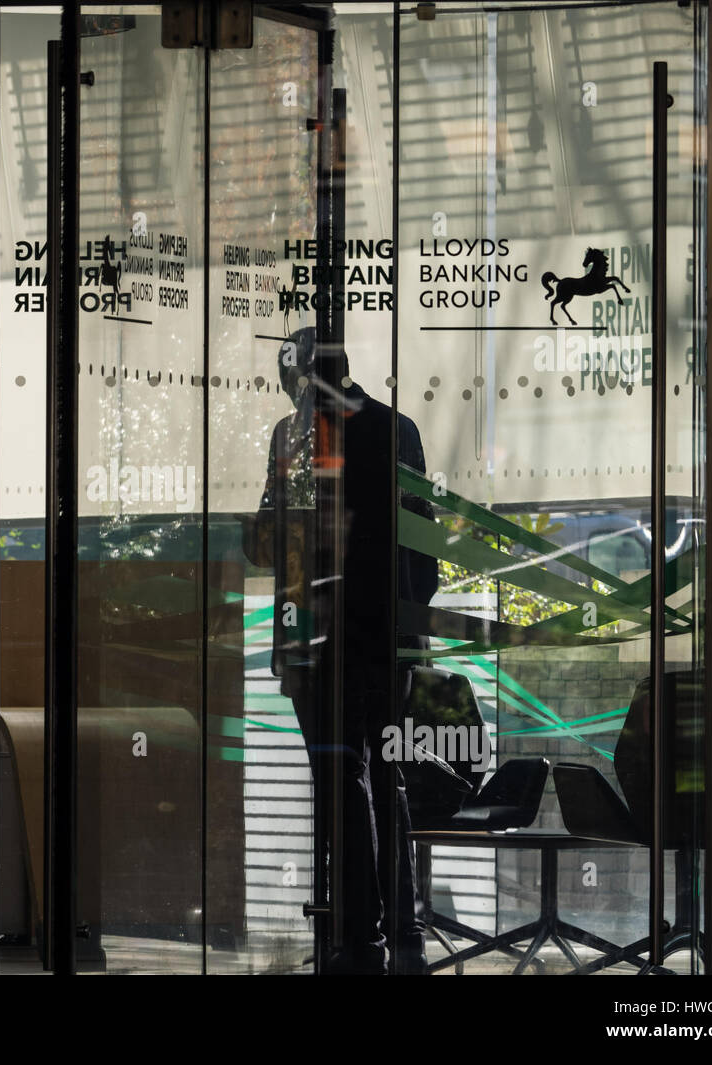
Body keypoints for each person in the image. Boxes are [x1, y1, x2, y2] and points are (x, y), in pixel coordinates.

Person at [244, 327, 438, 974]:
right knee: (387, 776)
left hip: (319, 642)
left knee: (342, 779)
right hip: (389, 637)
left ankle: (360, 938)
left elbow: (276, 541)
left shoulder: (294, 437)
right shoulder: (398, 427)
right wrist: (412, 630)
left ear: (297, 379)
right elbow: (423, 543)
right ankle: (402, 930)